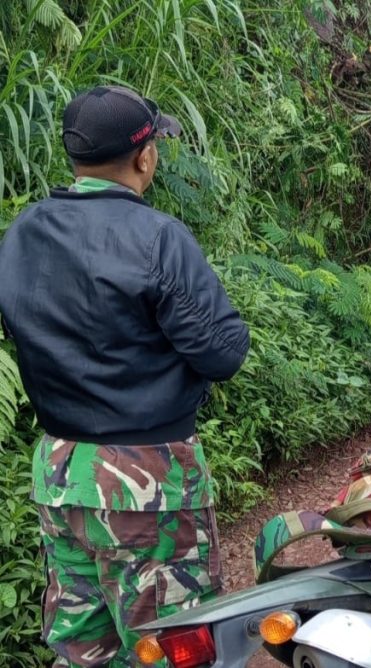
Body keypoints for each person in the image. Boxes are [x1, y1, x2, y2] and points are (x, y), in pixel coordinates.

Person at [0, 85, 250, 665]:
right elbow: (223, 353)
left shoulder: (20, 236)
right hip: (147, 485)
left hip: (61, 476)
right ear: (144, 157)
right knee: (172, 647)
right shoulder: (157, 238)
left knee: (84, 649)